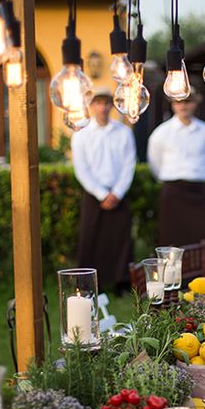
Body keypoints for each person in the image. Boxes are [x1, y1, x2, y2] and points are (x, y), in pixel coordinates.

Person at [147, 91, 205, 277]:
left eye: (187, 102)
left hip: (197, 191)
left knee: (204, 236)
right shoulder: (161, 133)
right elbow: (154, 162)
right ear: (173, 104)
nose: (183, 106)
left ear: (195, 104)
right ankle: (173, 280)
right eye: (179, 102)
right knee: (172, 239)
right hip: (173, 192)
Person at [71, 89, 136, 292]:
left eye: (107, 103)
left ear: (112, 106)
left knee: (121, 239)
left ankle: (122, 283)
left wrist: (117, 192)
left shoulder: (124, 132)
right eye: (98, 103)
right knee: (90, 239)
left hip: (118, 194)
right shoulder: (81, 134)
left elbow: (129, 164)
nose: (103, 107)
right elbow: (81, 169)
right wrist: (101, 193)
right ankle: (88, 284)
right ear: (92, 106)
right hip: (93, 195)